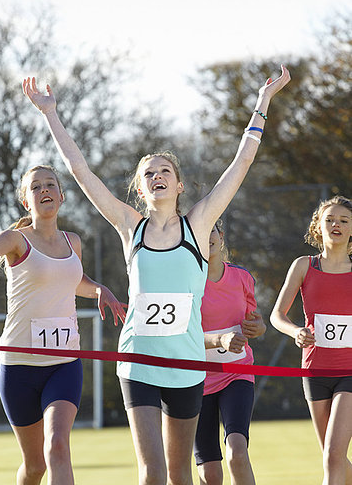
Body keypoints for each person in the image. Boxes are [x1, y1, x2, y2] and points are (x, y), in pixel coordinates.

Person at [23, 65, 291, 485]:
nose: (157, 177)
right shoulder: (131, 226)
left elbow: (243, 161)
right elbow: (80, 171)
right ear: (141, 188)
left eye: (165, 171)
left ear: (180, 185)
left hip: (187, 365)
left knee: (181, 475)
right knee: (153, 474)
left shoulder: (199, 225)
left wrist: (263, 101)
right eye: (149, 174)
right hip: (138, 362)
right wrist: (49, 114)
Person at [0, 165, 125, 485]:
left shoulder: (74, 241)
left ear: (61, 195)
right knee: (35, 466)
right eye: (36, 187)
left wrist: (100, 289)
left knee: (57, 445)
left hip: (64, 364)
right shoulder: (16, 239)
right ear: (27, 202)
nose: (44, 190)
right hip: (18, 366)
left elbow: (74, 280)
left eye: (50, 185)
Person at [270, 195, 352, 485]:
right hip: (314, 370)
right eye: (329, 219)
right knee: (334, 458)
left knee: (332, 456)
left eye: (344, 220)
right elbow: (277, 315)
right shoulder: (304, 266)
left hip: (349, 373)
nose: (336, 225)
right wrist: (296, 332)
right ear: (319, 225)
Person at [195, 220, 265, 485]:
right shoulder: (187, 281)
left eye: (211, 230)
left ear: (220, 236)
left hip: (237, 375)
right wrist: (219, 340)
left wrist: (259, 328)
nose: (207, 236)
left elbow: (256, 323)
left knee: (237, 451)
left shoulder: (242, 277)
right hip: (196, 382)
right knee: (209, 472)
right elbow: (180, 338)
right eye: (199, 232)